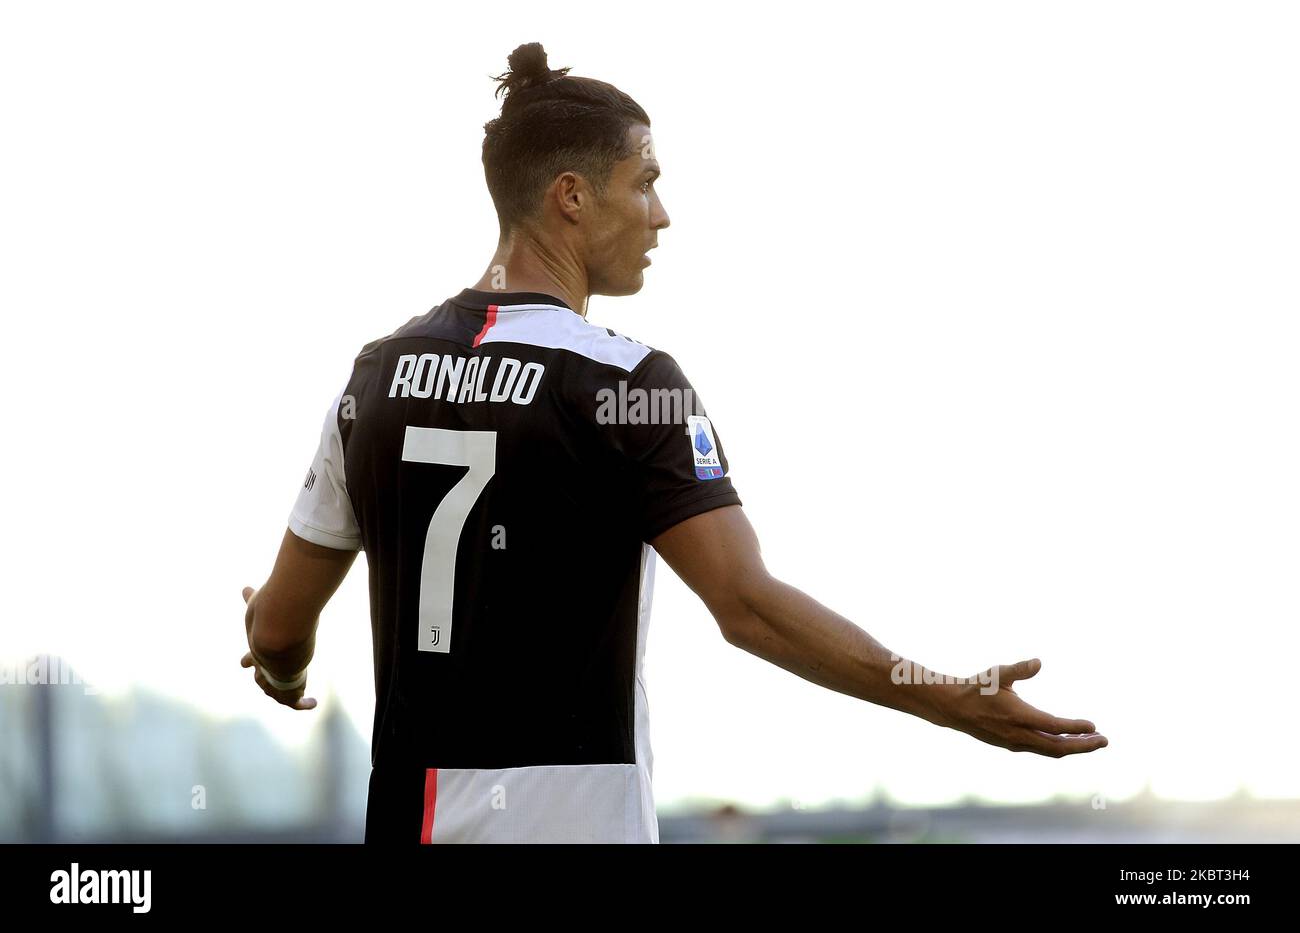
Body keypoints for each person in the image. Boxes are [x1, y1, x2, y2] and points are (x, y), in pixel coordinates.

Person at [239, 42, 1108, 844]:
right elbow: (747, 604)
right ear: (572, 196)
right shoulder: (627, 380)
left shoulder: (373, 375)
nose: (662, 215)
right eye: (645, 182)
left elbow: (277, 627)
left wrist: (282, 671)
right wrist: (944, 696)